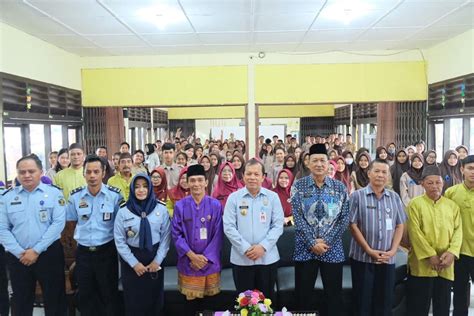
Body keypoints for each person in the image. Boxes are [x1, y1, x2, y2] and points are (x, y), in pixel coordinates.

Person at [0, 154, 66, 316]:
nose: (27, 175)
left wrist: (36, 250)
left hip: (48, 254)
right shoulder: (7, 197)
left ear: (41, 172)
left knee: (55, 299)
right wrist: (19, 252)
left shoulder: (54, 193)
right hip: (19, 256)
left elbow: (58, 224)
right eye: (22, 172)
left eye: (31, 171)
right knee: (21, 301)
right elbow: (2, 229)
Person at [291, 144, 350, 315]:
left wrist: (327, 241)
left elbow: (344, 218)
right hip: (305, 249)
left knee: (334, 296)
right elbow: (298, 217)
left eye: (322, 160)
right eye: (315, 160)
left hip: (332, 249)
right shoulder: (299, 186)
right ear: (308, 163)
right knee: (303, 296)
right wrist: (312, 242)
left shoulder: (339, 187)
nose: (319, 164)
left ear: (328, 163)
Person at [66, 155, 123, 316]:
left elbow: (120, 226)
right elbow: (70, 225)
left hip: (107, 251)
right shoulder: (75, 197)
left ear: (103, 173)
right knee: (86, 294)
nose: (92, 176)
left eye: (96, 171)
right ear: (83, 173)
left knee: (109, 293)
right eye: (88, 172)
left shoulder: (115, 196)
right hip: (83, 253)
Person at [349, 159, 406, 316]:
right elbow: (352, 226)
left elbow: (400, 225)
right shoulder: (357, 196)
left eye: (384, 172)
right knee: (362, 302)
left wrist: (394, 250)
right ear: (369, 173)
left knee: (384, 302)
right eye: (377, 171)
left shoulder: (394, 197)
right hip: (363, 259)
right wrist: (368, 250)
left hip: (387, 259)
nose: (381, 175)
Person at [223, 158, 284, 301]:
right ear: (243, 176)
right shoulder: (234, 198)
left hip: (267, 259)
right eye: (249, 174)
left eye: (256, 174)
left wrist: (263, 247)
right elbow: (229, 227)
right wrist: (245, 248)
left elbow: (278, 225)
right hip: (242, 259)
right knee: (244, 302)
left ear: (263, 177)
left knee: (266, 302)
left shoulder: (273, 198)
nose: (252, 178)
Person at [406, 165, 462, 316]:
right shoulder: (414, 204)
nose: (434, 186)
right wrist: (430, 255)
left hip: (446, 265)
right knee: (418, 307)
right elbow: (414, 232)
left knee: (442, 307)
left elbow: (458, 232)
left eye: (438, 182)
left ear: (443, 183)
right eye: (430, 183)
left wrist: (452, 252)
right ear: (422, 184)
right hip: (422, 264)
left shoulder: (452, 206)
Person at [114, 174, 171, 316]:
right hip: (131, 260)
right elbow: (119, 241)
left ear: (150, 188)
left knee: (155, 300)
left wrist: (157, 261)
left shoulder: (161, 209)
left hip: (154, 257)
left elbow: (166, 238)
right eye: (137, 186)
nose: (141, 190)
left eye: (145, 186)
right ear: (132, 189)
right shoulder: (123, 211)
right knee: (134, 301)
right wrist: (134, 263)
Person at [171, 165, 223, 315]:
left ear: (206, 182)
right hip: (188, 263)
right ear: (187, 183)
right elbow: (176, 233)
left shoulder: (215, 205)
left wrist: (205, 258)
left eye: (200, 180)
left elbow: (218, 234)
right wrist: (192, 256)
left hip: (210, 263)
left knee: (210, 305)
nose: (196, 184)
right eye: (192, 180)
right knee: (189, 307)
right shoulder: (180, 206)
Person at [445, 155, 474, 316]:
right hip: (459, 252)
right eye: (470, 168)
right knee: (460, 293)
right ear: (462, 170)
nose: (473, 172)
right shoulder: (451, 193)